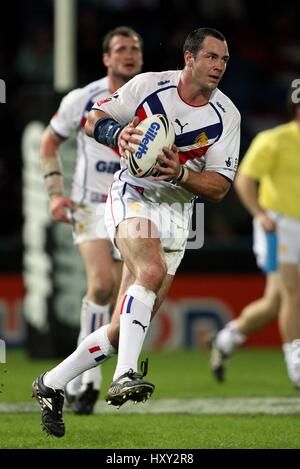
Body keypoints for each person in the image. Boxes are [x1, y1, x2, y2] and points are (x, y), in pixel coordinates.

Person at [32, 27, 241, 437]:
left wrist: (180, 172)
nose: (219, 66)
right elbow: (95, 118)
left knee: (125, 323)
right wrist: (116, 132)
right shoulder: (148, 87)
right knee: (147, 272)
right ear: (189, 59)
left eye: (225, 60)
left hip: (178, 214)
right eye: (212, 57)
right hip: (133, 194)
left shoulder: (226, 115)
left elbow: (219, 186)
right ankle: (125, 374)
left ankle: (52, 383)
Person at [39, 26, 143, 415]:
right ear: (106, 57)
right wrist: (54, 193)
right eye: (120, 48)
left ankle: (84, 374)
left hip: (134, 205)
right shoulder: (83, 99)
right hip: (90, 206)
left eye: (134, 48)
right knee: (100, 284)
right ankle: (88, 381)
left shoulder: (153, 99)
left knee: (120, 296)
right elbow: (49, 142)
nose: (129, 54)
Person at [210, 94, 300, 388]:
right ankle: (296, 362)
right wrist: (260, 215)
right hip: (278, 224)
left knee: (275, 302)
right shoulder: (273, 139)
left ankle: (229, 336)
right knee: (293, 291)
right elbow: (245, 180)